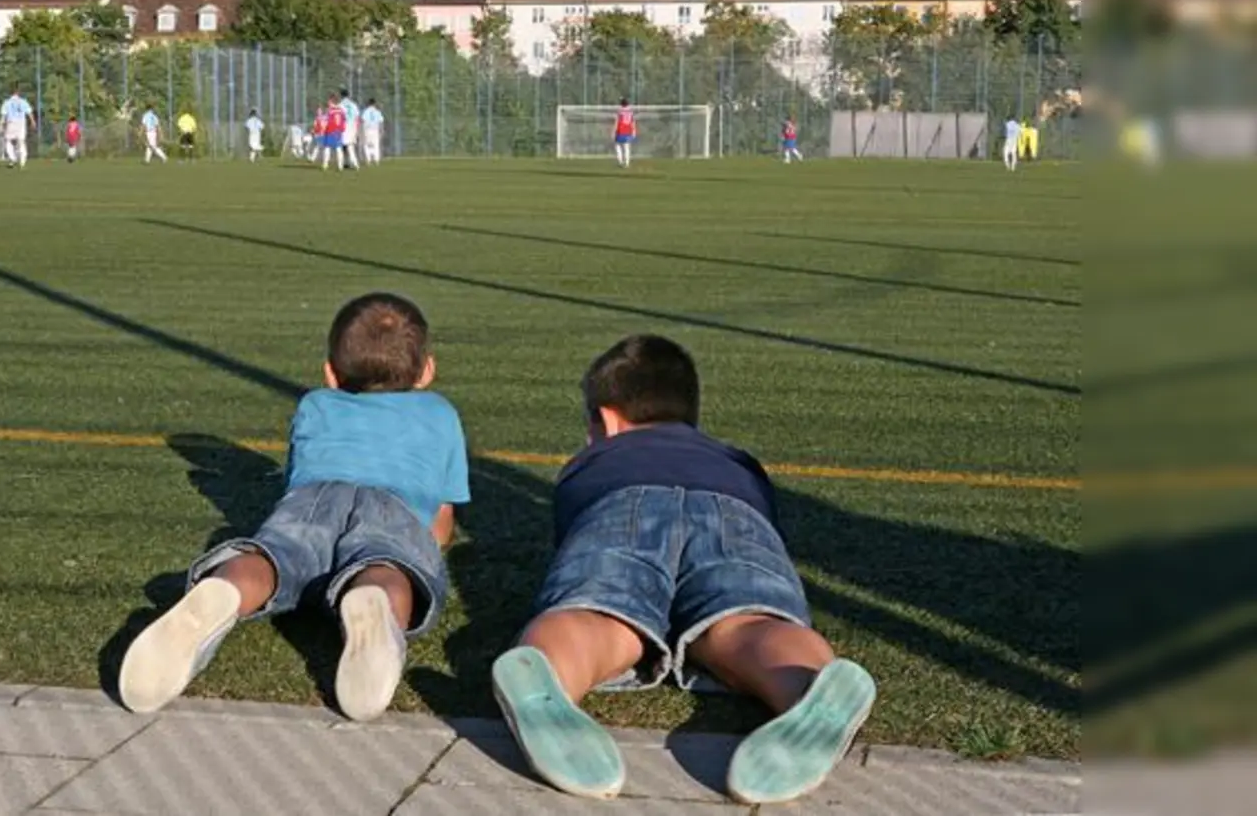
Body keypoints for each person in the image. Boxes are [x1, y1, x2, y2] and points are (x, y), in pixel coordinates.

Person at [491, 335, 876, 805]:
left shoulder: (591, 461)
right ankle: (809, 683)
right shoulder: (738, 461)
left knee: (603, 620)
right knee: (746, 623)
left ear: (607, 421)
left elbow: (575, 541)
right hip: (734, 512)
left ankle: (552, 676)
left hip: (620, 506)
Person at [118, 292, 470, 721]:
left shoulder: (315, 405)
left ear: (330, 373)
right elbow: (441, 518)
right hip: (391, 509)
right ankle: (375, 602)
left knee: (273, 558)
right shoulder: (440, 414)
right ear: (427, 370)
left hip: (312, 499)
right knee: (388, 566)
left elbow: (296, 481)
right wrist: (426, 545)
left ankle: (227, 589)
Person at [0, 89, 33, 168]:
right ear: (18, 93)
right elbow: (29, 112)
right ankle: (22, 161)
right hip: (21, 123)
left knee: (8, 141)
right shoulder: (23, 101)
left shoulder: (7, 102)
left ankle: (13, 158)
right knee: (21, 141)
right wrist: (33, 121)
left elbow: (3, 115)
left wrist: (1, 125)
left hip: (11, 123)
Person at [319, 96, 347, 171]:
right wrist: (342, 129)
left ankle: (325, 164)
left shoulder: (330, 111)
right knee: (338, 148)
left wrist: (323, 129)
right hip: (338, 131)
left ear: (332, 102)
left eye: (329, 102)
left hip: (330, 130)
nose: (328, 103)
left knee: (327, 148)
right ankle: (340, 166)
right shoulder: (341, 111)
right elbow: (344, 120)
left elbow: (326, 121)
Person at [339, 88, 362, 169]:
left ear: (341, 95)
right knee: (350, 145)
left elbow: (339, 117)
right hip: (353, 125)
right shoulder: (353, 105)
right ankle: (350, 163)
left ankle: (346, 163)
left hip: (344, 125)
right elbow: (357, 118)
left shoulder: (340, 105)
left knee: (343, 145)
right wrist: (357, 128)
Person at [361, 99, 385, 165]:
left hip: (367, 129)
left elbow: (363, 121)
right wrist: (382, 130)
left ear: (368, 103)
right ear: (374, 103)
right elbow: (381, 122)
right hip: (375, 129)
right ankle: (376, 160)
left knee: (367, 145)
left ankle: (368, 160)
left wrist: (362, 131)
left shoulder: (365, 111)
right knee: (376, 145)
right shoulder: (377, 111)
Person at [612, 99, 636, 168]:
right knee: (626, 147)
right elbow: (633, 122)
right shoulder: (631, 111)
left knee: (617, 146)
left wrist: (613, 131)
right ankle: (627, 163)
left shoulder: (620, 111)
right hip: (628, 131)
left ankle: (620, 161)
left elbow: (617, 122)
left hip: (621, 131)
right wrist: (634, 131)